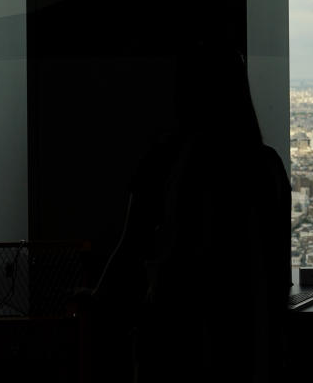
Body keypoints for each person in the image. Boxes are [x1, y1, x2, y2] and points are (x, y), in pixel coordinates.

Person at [92, 39, 290, 382]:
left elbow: (132, 244)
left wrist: (98, 302)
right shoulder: (265, 164)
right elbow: (277, 263)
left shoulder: (165, 160)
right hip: (246, 334)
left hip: (173, 330)